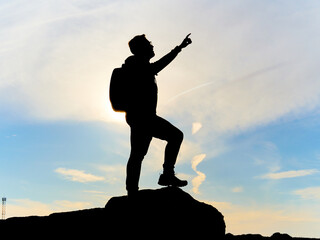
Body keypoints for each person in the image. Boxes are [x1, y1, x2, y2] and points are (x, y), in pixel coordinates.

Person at [124, 33, 192, 196]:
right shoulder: (138, 66)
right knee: (175, 136)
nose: (152, 46)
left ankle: (132, 191)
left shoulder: (139, 66)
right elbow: (159, 65)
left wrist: (179, 48)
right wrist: (179, 49)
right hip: (143, 117)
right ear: (141, 49)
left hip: (140, 117)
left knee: (138, 154)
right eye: (149, 44)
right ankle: (166, 175)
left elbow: (156, 67)